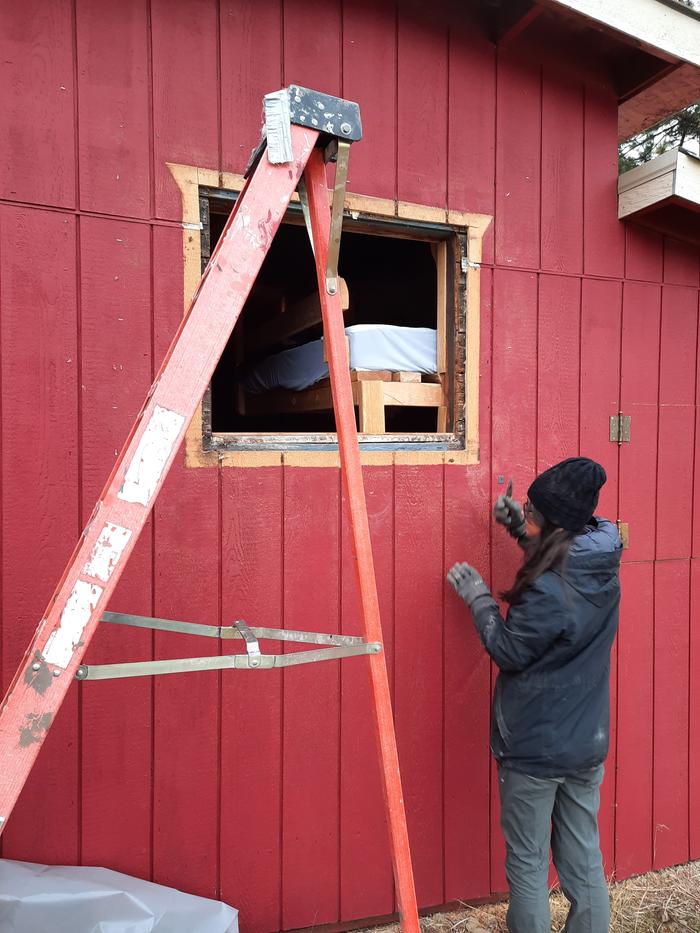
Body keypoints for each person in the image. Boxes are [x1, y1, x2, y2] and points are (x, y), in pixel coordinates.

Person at [447, 457, 622, 933]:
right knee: (583, 857)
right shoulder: (602, 557)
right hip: (585, 742)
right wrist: (521, 533)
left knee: (527, 864)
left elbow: (509, 649)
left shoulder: (548, 589)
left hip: (535, 749)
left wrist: (479, 599)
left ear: (554, 519)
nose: (523, 510)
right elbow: (564, 565)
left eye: (530, 507)